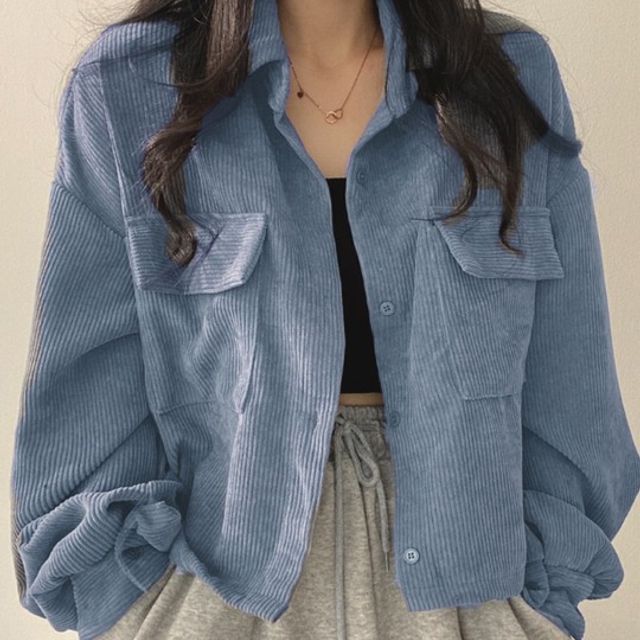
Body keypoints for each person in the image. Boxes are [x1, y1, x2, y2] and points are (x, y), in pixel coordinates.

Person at [10, 1, 640, 639]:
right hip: (216, 584)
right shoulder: (129, 84)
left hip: (471, 589)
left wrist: (543, 593)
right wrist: (131, 595)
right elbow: (84, 385)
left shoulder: (508, 74)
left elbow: (570, 373)